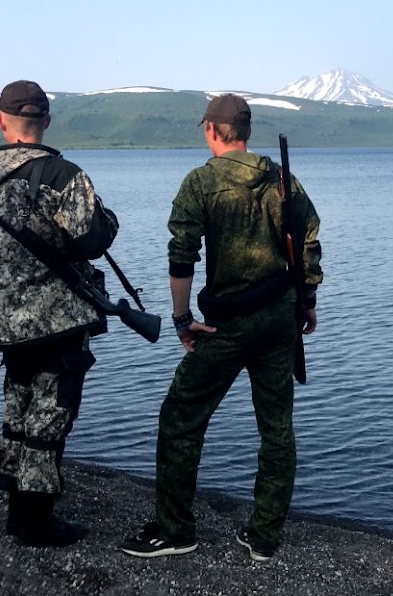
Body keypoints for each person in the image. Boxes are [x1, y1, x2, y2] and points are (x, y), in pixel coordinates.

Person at [120, 93, 322, 562]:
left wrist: (182, 318)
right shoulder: (281, 179)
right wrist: (307, 300)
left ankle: (175, 530)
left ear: (212, 130)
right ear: (245, 132)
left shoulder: (200, 183)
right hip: (279, 317)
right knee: (277, 428)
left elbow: (181, 256)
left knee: (181, 417)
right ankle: (264, 536)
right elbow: (308, 239)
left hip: (227, 324)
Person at [0, 79, 119, 548]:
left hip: (0, 318)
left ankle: (16, 497)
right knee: (52, 411)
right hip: (57, 318)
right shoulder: (64, 175)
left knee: (18, 402)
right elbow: (94, 239)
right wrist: (108, 221)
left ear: (1, 121)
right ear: (45, 121)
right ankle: (35, 518)